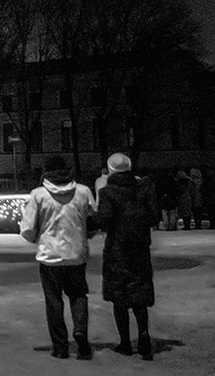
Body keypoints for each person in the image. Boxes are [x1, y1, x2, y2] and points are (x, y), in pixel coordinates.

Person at [20, 155, 96, 360]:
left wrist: (39, 238)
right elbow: (93, 221)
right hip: (76, 255)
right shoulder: (83, 191)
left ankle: (60, 346)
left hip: (49, 256)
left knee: (53, 301)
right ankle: (81, 334)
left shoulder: (38, 195)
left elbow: (27, 229)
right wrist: (84, 234)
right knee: (78, 295)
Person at [97, 153, 159, 361]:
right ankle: (143, 333)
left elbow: (105, 218)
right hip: (140, 248)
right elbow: (154, 216)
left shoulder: (108, 192)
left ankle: (125, 342)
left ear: (110, 170)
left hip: (118, 249)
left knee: (119, 295)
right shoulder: (143, 189)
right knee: (139, 291)